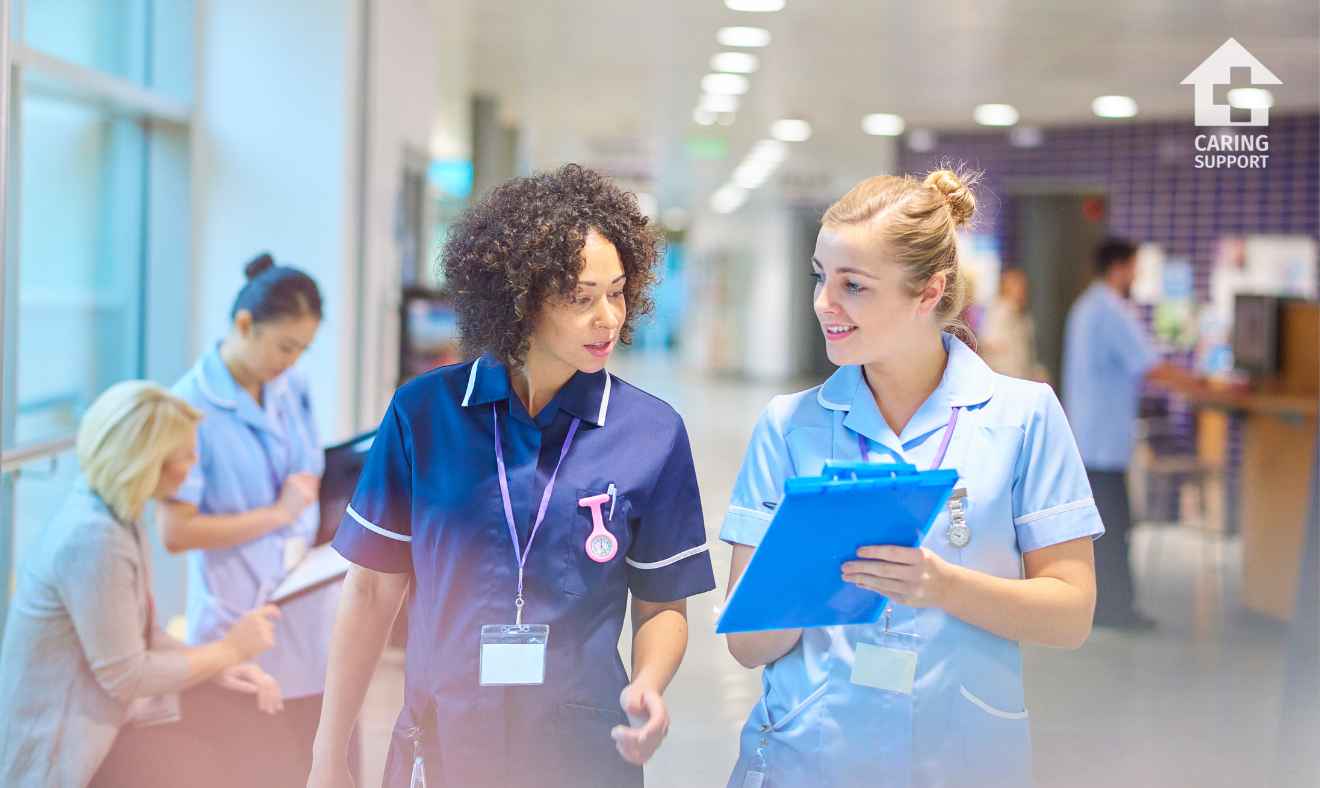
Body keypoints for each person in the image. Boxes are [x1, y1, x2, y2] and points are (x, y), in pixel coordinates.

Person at [307, 164, 716, 788]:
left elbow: (663, 599)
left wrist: (649, 686)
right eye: (581, 298)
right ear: (518, 298)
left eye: (618, 291)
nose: (608, 318)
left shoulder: (650, 432)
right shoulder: (424, 415)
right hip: (443, 743)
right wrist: (327, 752)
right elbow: (369, 593)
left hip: (581, 751)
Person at [721, 170, 1102, 788]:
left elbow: (1070, 614)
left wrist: (943, 586)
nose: (825, 302)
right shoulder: (790, 427)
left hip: (960, 757)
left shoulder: (1024, 418)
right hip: (808, 757)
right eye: (821, 277)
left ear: (929, 292)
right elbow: (749, 644)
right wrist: (805, 564)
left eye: (854, 286)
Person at [0, 381, 282, 788]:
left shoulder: (116, 516)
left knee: (235, 729)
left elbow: (142, 637)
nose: (193, 464)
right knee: (219, 756)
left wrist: (221, 665)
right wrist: (229, 649)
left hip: (103, 727)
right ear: (147, 461)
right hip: (62, 760)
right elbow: (127, 676)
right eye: (184, 455)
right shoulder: (93, 539)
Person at [160, 254, 339, 784]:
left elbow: (308, 465)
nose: (292, 360)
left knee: (315, 762)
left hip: (303, 609)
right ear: (244, 325)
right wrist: (277, 514)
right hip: (234, 621)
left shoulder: (292, 384)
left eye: (303, 349)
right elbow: (176, 532)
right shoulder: (189, 406)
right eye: (285, 346)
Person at [1062, 237, 1204, 630]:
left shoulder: (1088, 306)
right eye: (1135, 266)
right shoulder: (1109, 310)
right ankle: (1115, 610)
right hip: (1103, 443)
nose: (1138, 274)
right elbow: (1151, 366)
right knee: (1113, 531)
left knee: (1105, 531)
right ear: (1120, 267)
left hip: (1091, 438)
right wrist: (1201, 385)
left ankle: (1107, 607)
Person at [980, 267, 1046, 381]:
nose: (1021, 290)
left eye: (1023, 285)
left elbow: (1028, 356)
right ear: (1005, 286)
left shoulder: (1024, 317)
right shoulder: (998, 313)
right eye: (1016, 285)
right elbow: (991, 347)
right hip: (1005, 383)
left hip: (1022, 382)